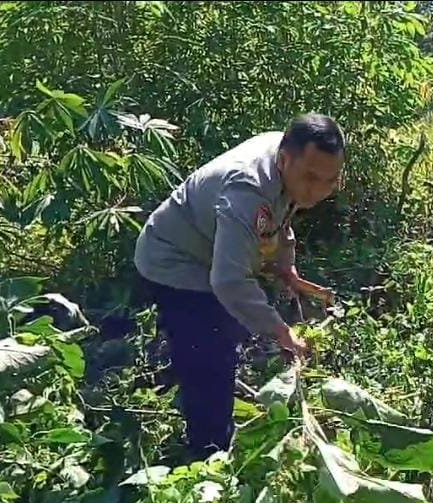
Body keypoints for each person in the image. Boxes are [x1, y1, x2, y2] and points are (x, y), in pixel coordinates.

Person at [134, 113, 342, 459]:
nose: (317, 191)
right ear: (284, 159)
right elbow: (229, 281)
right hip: (174, 260)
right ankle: (208, 456)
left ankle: (186, 373)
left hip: (207, 249)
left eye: (330, 180)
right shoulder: (248, 191)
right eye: (310, 178)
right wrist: (280, 331)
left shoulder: (289, 158)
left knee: (220, 332)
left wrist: (286, 265)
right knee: (213, 352)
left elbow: (281, 217)